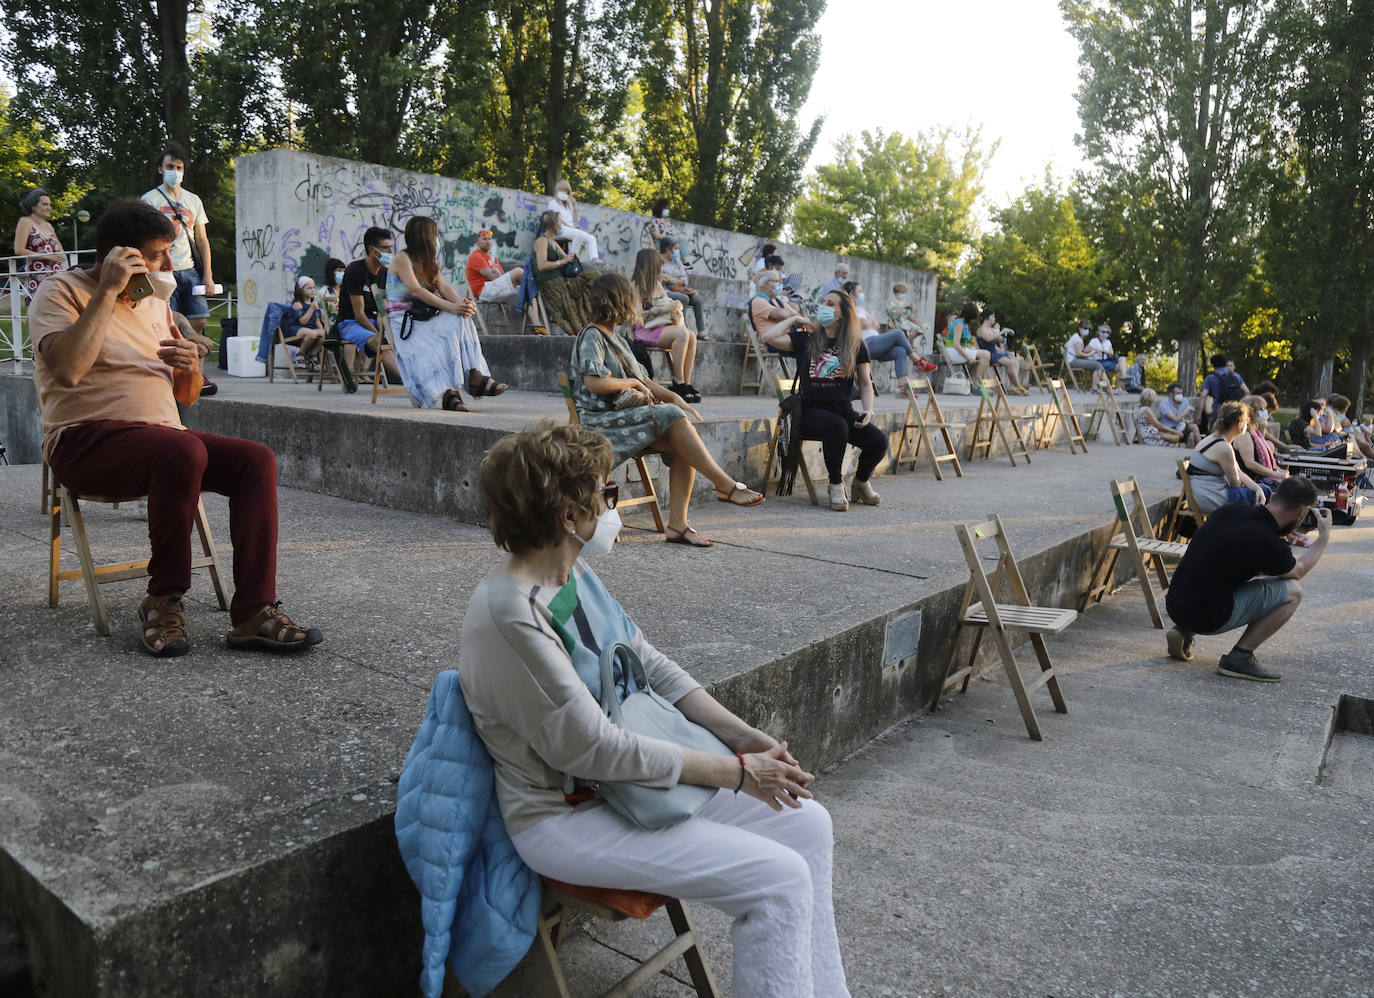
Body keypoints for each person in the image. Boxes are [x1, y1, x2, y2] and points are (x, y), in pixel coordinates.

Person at [459, 421, 849, 998]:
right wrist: (740, 776)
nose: (613, 507)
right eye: (606, 494)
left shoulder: (572, 574)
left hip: (628, 788)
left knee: (807, 824)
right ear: (570, 515)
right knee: (778, 881)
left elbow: (648, 664)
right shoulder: (511, 615)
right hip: (567, 817)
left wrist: (743, 737)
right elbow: (594, 748)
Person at [29, 199, 321, 657]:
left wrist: (191, 366)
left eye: (170, 252)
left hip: (163, 440)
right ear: (116, 257)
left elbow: (184, 396)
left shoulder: (154, 304)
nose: (168, 264)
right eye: (157, 254)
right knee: (181, 451)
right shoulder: (60, 291)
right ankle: (162, 597)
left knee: (254, 460)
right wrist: (106, 292)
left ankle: (253, 611)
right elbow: (66, 370)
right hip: (84, 440)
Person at [569, 273, 764, 547]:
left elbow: (646, 382)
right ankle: (725, 485)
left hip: (622, 419)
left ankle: (678, 526)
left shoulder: (618, 340)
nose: (639, 307)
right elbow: (594, 382)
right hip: (601, 422)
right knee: (673, 420)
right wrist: (633, 382)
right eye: (635, 301)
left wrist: (676, 398)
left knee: (679, 435)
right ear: (620, 302)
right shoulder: (592, 335)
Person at [1164, 476, 1328, 682]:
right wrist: (1323, 538)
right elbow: (1298, 570)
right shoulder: (1268, 542)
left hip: (1176, 604)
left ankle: (1184, 630)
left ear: (1274, 496)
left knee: (1222, 573)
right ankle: (1240, 658)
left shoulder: (1231, 509)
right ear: (1304, 512)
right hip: (1208, 617)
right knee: (1293, 592)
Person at [762, 288, 886, 512]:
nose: (824, 306)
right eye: (823, 302)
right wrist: (794, 318)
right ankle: (835, 484)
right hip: (809, 412)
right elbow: (768, 337)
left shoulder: (855, 344)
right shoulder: (806, 339)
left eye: (830, 303)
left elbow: (866, 384)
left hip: (842, 410)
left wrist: (869, 410)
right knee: (836, 427)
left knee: (878, 441)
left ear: (843, 313)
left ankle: (860, 483)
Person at [386, 216, 506, 412]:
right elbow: (416, 290)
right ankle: (465, 385)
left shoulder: (428, 262)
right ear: (426, 237)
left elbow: (443, 287)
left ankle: (464, 384)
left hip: (424, 317)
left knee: (462, 316)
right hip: (406, 322)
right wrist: (451, 307)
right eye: (434, 235)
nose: (437, 240)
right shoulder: (402, 258)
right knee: (453, 318)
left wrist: (461, 303)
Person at [140, 142, 215, 340]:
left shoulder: (194, 200)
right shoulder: (149, 200)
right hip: (162, 270)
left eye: (179, 167)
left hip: (190, 270)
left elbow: (202, 240)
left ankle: (196, 367)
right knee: (167, 322)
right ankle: (173, 369)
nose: (175, 171)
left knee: (199, 320)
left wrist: (208, 274)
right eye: (170, 166)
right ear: (160, 169)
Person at [630, 248, 701, 402]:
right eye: (657, 265)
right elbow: (637, 316)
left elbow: (667, 301)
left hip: (661, 326)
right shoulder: (634, 285)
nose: (660, 268)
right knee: (682, 334)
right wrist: (663, 308)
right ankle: (678, 382)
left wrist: (674, 306)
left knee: (691, 335)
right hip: (644, 329)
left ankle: (686, 384)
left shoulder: (656, 284)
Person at [336, 227, 402, 384]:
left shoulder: (385, 273)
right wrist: (379, 334)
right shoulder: (355, 270)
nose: (391, 251)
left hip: (372, 321)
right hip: (350, 323)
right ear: (372, 250)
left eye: (391, 247)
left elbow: (383, 308)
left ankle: (415, 378)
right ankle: (411, 380)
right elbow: (358, 314)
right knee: (379, 342)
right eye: (386, 248)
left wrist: (385, 327)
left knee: (404, 336)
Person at [840, 280, 932, 391]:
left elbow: (876, 325)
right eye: (860, 291)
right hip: (865, 345)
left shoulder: (861, 309)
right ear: (851, 295)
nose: (862, 294)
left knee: (900, 350)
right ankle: (918, 361)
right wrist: (869, 322)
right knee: (898, 333)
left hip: (876, 344)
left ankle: (902, 387)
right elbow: (864, 323)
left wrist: (869, 322)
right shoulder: (849, 309)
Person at [1185, 401, 1266, 514]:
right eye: (1246, 420)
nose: (1247, 424)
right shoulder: (1224, 447)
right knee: (1265, 492)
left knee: (1261, 489)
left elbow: (1239, 473)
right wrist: (1258, 489)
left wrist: (1258, 488)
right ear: (1239, 424)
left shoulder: (1215, 437)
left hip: (1202, 494)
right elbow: (1235, 483)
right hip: (1209, 498)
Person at [464, 228, 543, 331]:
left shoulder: (492, 257)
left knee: (528, 294)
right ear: (477, 242)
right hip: (484, 291)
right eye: (484, 239)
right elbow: (491, 277)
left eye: (489, 239)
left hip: (496, 289)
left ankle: (538, 328)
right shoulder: (476, 256)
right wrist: (497, 274)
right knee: (519, 272)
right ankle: (540, 286)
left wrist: (498, 274)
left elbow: (501, 275)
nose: (488, 241)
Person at [13, 188, 66, 298]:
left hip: (57, 278)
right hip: (38, 279)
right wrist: (48, 257)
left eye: (49, 205)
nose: (49, 208)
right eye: (45, 204)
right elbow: (19, 250)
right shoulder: (25, 222)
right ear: (33, 206)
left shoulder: (49, 226)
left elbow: (59, 247)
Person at [1232, 394, 1288, 496]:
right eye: (1261, 409)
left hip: (1260, 479)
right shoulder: (1244, 434)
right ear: (1252, 411)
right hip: (1253, 482)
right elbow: (1250, 464)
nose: (1265, 412)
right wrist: (1276, 474)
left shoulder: (1254, 432)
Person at [658, 237, 706, 336]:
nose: (677, 252)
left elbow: (685, 280)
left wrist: (671, 280)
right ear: (668, 250)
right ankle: (682, 328)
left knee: (698, 300)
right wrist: (675, 281)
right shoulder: (658, 262)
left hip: (679, 290)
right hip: (665, 292)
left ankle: (701, 332)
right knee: (683, 298)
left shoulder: (677, 262)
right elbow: (660, 279)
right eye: (675, 249)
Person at [974, 307, 1028, 394]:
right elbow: (989, 338)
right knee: (1011, 363)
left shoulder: (992, 329)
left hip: (995, 353)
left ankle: (1013, 386)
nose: (994, 319)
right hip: (989, 355)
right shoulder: (982, 329)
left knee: (1015, 360)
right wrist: (1002, 331)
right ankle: (1018, 386)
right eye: (993, 317)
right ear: (987, 318)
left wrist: (1007, 334)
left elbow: (1000, 340)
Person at [546, 180, 599, 260]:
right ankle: (572, 258)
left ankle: (594, 259)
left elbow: (576, 220)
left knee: (592, 238)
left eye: (567, 191)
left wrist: (574, 206)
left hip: (570, 229)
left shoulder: (569, 205)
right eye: (562, 190)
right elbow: (556, 220)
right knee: (579, 234)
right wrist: (572, 228)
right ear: (557, 190)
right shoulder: (553, 203)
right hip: (559, 229)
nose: (565, 192)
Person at [280, 276, 326, 369]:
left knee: (327, 335)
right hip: (297, 328)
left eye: (314, 287)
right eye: (309, 288)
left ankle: (313, 353)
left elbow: (317, 322)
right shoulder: (298, 304)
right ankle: (300, 353)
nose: (313, 290)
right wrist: (312, 308)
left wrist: (322, 333)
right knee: (312, 334)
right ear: (301, 290)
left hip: (310, 329)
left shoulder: (314, 303)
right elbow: (303, 321)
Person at [944, 303, 990, 382]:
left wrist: (971, 349)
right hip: (953, 351)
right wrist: (968, 357)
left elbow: (965, 343)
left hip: (961, 350)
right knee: (985, 354)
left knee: (987, 355)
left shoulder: (965, 324)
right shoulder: (959, 323)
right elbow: (956, 344)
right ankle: (980, 384)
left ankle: (985, 383)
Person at [885, 282, 931, 358]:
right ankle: (910, 346)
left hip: (906, 323)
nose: (904, 294)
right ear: (898, 292)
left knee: (921, 329)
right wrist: (904, 306)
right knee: (913, 331)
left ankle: (910, 345)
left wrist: (912, 312)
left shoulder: (905, 303)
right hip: (897, 323)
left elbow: (909, 316)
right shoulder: (891, 303)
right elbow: (893, 314)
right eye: (903, 292)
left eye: (905, 292)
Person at [1198, 354, 1248, 421]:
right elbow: (1247, 391)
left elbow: (1203, 396)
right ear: (1225, 363)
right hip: (1234, 410)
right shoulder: (1236, 376)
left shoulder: (1210, 378)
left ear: (1213, 365)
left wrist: (1198, 415)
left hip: (1218, 411)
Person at [1328, 394, 1374, 460]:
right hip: (1343, 436)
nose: (1346, 409)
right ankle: (1365, 458)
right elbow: (1343, 424)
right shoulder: (1331, 412)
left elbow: (1348, 423)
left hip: (1348, 434)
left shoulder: (1337, 413)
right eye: (1346, 407)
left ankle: (1366, 457)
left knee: (1365, 443)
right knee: (1364, 445)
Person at [1064, 321, 1107, 390]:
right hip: (1073, 361)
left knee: (1099, 365)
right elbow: (1078, 354)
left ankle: (1106, 385)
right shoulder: (1077, 338)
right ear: (1080, 328)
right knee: (1098, 365)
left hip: (1074, 359)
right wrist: (1089, 354)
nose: (1087, 330)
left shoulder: (1076, 336)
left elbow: (1065, 345)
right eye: (1085, 328)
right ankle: (1096, 388)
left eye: (1088, 328)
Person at [1158, 382, 1201, 446]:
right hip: (1170, 430)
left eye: (1181, 393)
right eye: (1178, 393)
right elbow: (1176, 419)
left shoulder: (1184, 401)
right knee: (1184, 435)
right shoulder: (1164, 404)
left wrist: (1187, 421)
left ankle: (1200, 449)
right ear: (1170, 394)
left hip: (1182, 426)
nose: (1180, 395)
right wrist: (1187, 409)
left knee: (1192, 432)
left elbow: (1191, 419)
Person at [1088, 324, 1121, 389]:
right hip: (1097, 361)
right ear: (1099, 332)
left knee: (1120, 366)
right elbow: (1086, 350)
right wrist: (1096, 350)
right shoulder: (1094, 341)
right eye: (1103, 332)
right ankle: (1095, 388)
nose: (1105, 333)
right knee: (1098, 367)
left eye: (1107, 332)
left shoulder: (1108, 342)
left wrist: (1102, 350)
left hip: (1107, 361)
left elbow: (1112, 353)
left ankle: (1118, 388)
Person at [319, 257, 346, 326]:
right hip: (331, 328)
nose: (342, 273)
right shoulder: (323, 292)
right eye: (339, 270)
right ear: (331, 272)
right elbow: (321, 315)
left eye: (344, 271)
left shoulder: (347, 290)